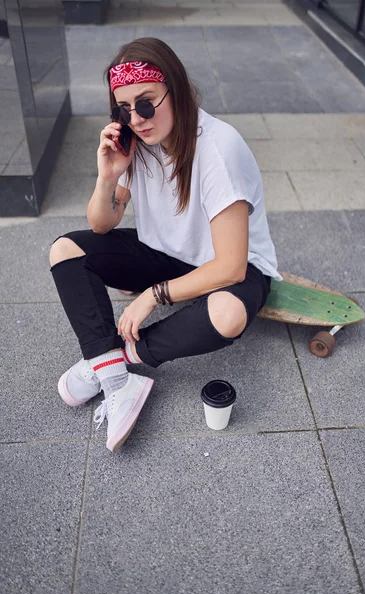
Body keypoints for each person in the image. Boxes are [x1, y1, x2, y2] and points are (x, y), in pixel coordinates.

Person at [50, 37, 281, 453]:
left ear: (175, 88)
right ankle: (115, 376)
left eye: (146, 102)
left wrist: (152, 297)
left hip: (236, 268)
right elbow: (101, 224)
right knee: (65, 250)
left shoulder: (218, 148)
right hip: (165, 254)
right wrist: (108, 175)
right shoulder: (135, 142)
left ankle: (115, 359)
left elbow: (231, 267)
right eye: (123, 108)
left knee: (227, 314)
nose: (136, 118)